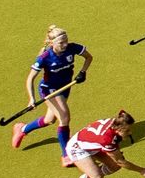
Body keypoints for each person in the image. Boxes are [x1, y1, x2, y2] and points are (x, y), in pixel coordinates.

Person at [12, 25, 93, 166]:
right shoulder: (45, 57)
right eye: (61, 43)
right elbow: (30, 79)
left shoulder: (72, 48)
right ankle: (66, 155)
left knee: (50, 120)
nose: (65, 44)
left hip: (65, 87)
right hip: (49, 89)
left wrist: (82, 72)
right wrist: (32, 98)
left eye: (66, 41)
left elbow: (89, 57)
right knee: (64, 117)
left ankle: (22, 129)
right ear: (52, 43)